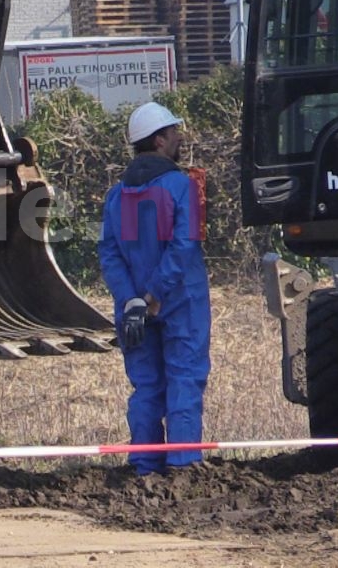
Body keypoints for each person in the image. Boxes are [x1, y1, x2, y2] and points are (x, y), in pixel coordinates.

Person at [97, 102, 211, 476]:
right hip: (180, 302)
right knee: (183, 380)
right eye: (174, 132)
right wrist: (155, 295)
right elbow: (184, 245)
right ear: (159, 140)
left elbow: (110, 253)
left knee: (146, 387)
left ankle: (144, 467)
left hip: (133, 310)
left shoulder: (117, 195)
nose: (179, 138)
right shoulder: (181, 186)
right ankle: (182, 468)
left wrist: (132, 299)